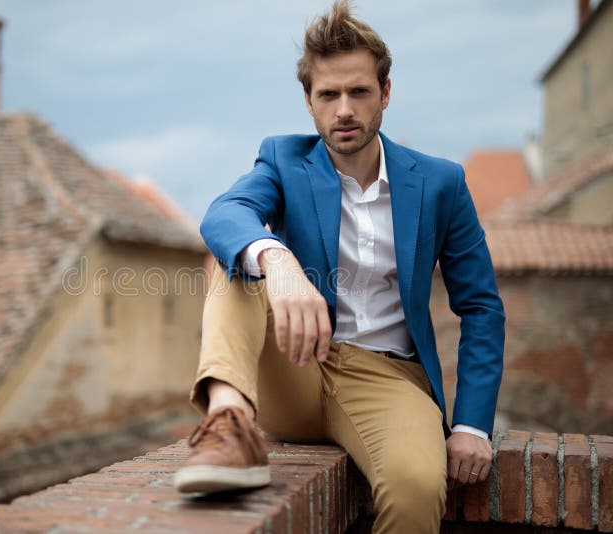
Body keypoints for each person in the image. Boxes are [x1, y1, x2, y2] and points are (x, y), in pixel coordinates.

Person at [172, 2, 505, 532]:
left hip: (389, 379)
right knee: (237, 260)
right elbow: (225, 215)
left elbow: (482, 307)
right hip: (296, 366)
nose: (344, 109)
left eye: (359, 92)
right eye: (328, 94)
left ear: (386, 93)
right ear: (309, 101)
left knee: (417, 491)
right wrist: (278, 261)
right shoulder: (283, 160)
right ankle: (229, 423)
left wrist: (470, 423)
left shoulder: (441, 184)